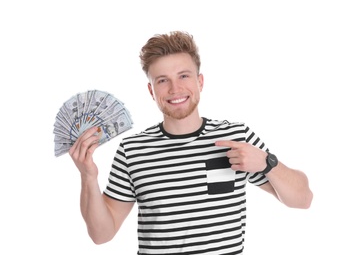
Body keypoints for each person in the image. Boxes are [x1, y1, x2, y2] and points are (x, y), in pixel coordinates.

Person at [69, 31, 313, 254]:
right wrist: (88, 177)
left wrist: (266, 163)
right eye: (162, 80)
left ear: (200, 82)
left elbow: (303, 199)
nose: (175, 89)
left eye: (183, 76)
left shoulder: (235, 137)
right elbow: (101, 235)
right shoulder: (132, 150)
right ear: (151, 91)